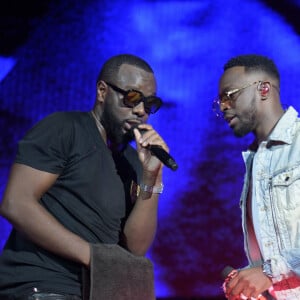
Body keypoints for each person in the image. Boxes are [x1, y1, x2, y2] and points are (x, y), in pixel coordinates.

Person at [0, 54, 169, 299]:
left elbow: (135, 249)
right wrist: (93, 256)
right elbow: (16, 204)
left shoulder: (133, 162)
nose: (142, 110)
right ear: (102, 91)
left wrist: (152, 178)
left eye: (150, 103)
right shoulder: (65, 129)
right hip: (43, 285)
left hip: (96, 290)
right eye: (132, 98)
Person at [213, 54, 300, 300]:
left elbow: (272, 269)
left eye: (229, 95)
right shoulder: (255, 161)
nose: (222, 106)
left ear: (263, 88)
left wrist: (269, 271)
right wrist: (247, 281)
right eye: (219, 100)